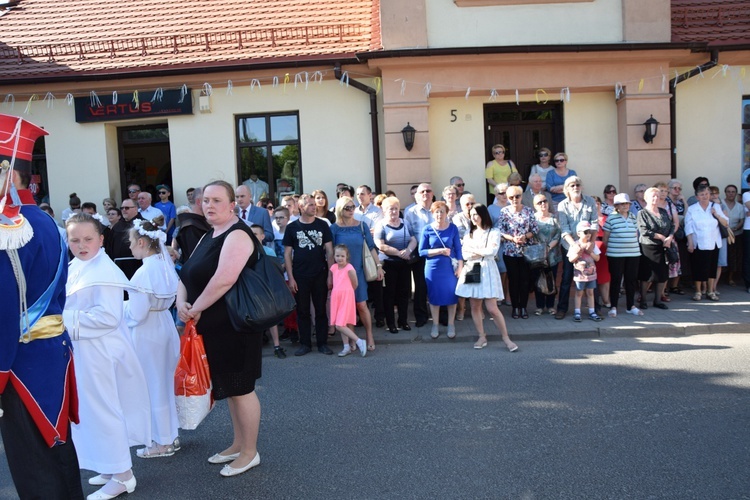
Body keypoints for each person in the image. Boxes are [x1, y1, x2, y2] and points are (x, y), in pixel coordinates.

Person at [0, 113, 83, 499]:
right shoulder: (46, 220)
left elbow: (2, 313)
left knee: (33, 468)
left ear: (6, 173)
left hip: (17, 362)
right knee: (58, 455)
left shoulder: (9, 229)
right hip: (52, 353)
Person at [177, 180, 263, 477]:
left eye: (216, 200)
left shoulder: (238, 235)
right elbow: (186, 271)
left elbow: (224, 279)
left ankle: (250, 452)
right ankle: (238, 444)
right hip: (211, 325)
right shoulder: (210, 233)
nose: (209, 205)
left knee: (242, 388)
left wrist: (196, 307)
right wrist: (181, 302)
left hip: (235, 325)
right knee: (229, 387)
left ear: (232, 205)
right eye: (205, 200)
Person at [64, 213, 152, 499]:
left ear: (101, 239)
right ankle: (109, 465)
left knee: (105, 409)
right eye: (74, 239)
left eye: (88, 239)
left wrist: (60, 320)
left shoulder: (102, 271)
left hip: (100, 350)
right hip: (85, 350)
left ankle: (124, 476)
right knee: (90, 411)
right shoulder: (78, 265)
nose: (81, 245)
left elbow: (107, 317)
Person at [124, 219, 181, 459]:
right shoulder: (163, 265)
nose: (129, 248)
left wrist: (118, 308)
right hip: (165, 324)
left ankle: (161, 441)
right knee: (165, 382)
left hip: (148, 331)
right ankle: (171, 434)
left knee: (153, 385)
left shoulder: (144, 271)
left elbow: (137, 314)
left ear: (141, 242)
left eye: (130, 242)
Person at [455, 204, 518, 352]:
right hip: (472, 269)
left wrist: (476, 252)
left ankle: (506, 338)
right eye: (471, 215)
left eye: (476, 214)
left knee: (492, 308)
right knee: (475, 305)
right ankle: (481, 336)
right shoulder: (469, 233)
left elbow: (492, 251)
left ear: (483, 215)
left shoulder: (494, 232)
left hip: (488, 269)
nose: (473, 218)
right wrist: (479, 252)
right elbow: (465, 254)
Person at [283, 194, 335, 356]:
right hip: (300, 275)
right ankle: (305, 343)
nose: (314, 207)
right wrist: (291, 277)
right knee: (303, 311)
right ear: (301, 207)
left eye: (314, 204)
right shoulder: (292, 228)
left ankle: (322, 343)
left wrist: (330, 275)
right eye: (311, 205)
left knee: (320, 310)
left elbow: (330, 251)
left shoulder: (322, 225)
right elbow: (287, 255)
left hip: (320, 274)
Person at [331, 196, 385, 351]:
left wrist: (379, 266)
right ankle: (352, 338)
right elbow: (330, 253)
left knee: (361, 304)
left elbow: (372, 246)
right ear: (340, 209)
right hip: (341, 274)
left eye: (352, 207)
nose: (350, 210)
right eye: (347, 207)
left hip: (358, 270)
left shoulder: (362, 226)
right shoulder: (334, 228)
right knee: (347, 307)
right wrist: (330, 274)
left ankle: (369, 335)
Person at [555, 176, 597, 320]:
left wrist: (591, 243)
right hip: (570, 246)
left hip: (588, 245)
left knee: (591, 275)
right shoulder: (562, 205)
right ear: (567, 189)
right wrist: (575, 246)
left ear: (581, 186)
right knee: (567, 277)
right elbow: (564, 229)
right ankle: (562, 309)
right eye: (572, 185)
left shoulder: (590, 201)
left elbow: (595, 224)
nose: (575, 187)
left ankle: (594, 309)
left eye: (577, 184)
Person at [419, 201, 463, 339]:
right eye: (437, 212)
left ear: (447, 212)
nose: (439, 214)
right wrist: (439, 251)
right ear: (432, 214)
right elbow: (421, 251)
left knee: (451, 295)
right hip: (433, 268)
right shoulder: (427, 229)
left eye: (442, 211)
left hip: (450, 267)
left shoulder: (453, 228)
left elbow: (458, 249)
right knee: (434, 296)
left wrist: (460, 267)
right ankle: (435, 324)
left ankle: (451, 324)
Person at [374, 196, 417, 334]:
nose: (394, 212)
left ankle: (403, 321)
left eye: (396, 209)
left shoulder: (405, 222)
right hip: (389, 264)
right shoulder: (381, 225)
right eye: (391, 209)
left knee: (404, 293)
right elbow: (380, 245)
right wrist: (399, 253)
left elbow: (413, 239)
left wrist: (409, 250)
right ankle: (391, 323)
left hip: (404, 264)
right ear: (385, 211)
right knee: (389, 294)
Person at [498, 185, 538, 319]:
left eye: (517, 196)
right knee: (513, 280)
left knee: (525, 281)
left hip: (526, 251)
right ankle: (515, 307)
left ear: (521, 197)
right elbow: (501, 231)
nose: (515, 199)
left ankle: (523, 307)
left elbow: (535, 229)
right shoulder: (504, 212)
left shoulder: (528, 211)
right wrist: (513, 238)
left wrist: (525, 236)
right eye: (511, 197)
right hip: (510, 252)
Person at [685, 184, 728, 302]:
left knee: (711, 267)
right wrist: (690, 242)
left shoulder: (716, 206)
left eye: (707, 194)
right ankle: (698, 291)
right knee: (698, 267)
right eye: (702, 194)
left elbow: (726, 223)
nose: (705, 196)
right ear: (697, 196)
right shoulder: (692, 209)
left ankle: (710, 291)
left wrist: (717, 215)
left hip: (713, 242)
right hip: (698, 242)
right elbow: (688, 227)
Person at [248, 224, 286, 358]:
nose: (253, 236)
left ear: (262, 236)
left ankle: (277, 346)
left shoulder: (269, 252)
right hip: (251, 290)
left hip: (267, 289)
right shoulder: (244, 252)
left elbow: (274, 272)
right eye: (250, 234)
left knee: (272, 318)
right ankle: (252, 348)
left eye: (256, 234)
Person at [602, 193, 643, 317]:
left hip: (633, 254)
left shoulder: (632, 217)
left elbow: (635, 234)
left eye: (627, 203)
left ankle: (631, 306)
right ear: (616, 206)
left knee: (631, 281)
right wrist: (613, 249)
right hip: (616, 255)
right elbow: (605, 239)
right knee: (616, 280)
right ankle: (613, 307)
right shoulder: (611, 218)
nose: (625, 206)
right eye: (622, 204)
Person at [636, 187, 675, 310]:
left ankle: (657, 300)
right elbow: (644, 230)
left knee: (662, 274)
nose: (656, 198)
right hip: (648, 246)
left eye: (657, 196)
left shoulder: (663, 211)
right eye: (653, 196)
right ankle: (643, 300)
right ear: (646, 198)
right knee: (647, 274)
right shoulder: (642, 213)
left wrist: (670, 237)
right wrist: (661, 237)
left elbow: (671, 226)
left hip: (663, 246)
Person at [329, 244, 368, 357]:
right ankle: (346, 346)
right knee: (342, 322)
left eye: (342, 256)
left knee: (339, 324)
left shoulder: (349, 268)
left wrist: (347, 292)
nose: (340, 258)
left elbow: (355, 283)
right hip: (336, 296)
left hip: (346, 296)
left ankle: (359, 341)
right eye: (337, 256)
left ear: (347, 256)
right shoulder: (333, 268)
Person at [404, 183, 434, 327]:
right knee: (420, 286)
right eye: (422, 192)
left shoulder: (438, 209)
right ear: (416, 195)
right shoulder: (410, 212)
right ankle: (421, 316)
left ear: (432, 193)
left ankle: (441, 315)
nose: (425, 194)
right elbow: (408, 234)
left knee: (437, 285)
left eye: (428, 191)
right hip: (419, 252)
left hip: (437, 253)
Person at [567, 221, 603, 322]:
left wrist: (590, 252)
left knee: (590, 292)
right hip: (580, 274)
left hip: (591, 274)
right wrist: (578, 253)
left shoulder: (592, 244)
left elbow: (597, 258)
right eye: (585, 232)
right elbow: (570, 259)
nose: (588, 234)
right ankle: (577, 312)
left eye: (589, 232)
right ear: (578, 233)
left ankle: (592, 311)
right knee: (579, 292)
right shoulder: (575, 245)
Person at [531, 193, 561, 315]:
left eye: (545, 201)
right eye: (539, 202)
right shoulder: (532, 219)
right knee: (539, 280)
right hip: (538, 255)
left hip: (552, 254)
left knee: (551, 280)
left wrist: (548, 247)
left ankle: (550, 306)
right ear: (535, 205)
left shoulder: (554, 218)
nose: (543, 204)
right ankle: (539, 306)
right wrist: (541, 248)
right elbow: (530, 235)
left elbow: (558, 234)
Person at [106, 198, 143, 279]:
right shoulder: (117, 226)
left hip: (137, 266)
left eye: (127, 208)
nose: (124, 210)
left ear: (136, 208)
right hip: (118, 267)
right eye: (122, 208)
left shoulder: (143, 224)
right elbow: (109, 246)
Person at [173, 186, 211, 264]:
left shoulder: (199, 222)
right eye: (207, 200)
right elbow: (196, 259)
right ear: (199, 202)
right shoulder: (191, 226)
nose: (211, 205)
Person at [708, 186, 728, 296]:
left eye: (716, 193)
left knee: (719, 263)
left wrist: (718, 209)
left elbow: (726, 220)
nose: (714, 196)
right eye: (712, 193)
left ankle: (714, 286)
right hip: (708, 238)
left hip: (720, 236)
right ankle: (707, 287)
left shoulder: (720, 205)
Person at [593, 196, 611, 310]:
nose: (596, 205)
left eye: (598, 203)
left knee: (605, 276)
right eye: (593, 203)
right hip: (592, 251)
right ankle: (594, 302)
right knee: (593, 276)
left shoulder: (607, 218)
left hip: (606, 250)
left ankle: (606, 299)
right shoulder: (588, 219)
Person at [723, 184, 744, 286]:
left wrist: (735, 228)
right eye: (728, 191)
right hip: (722, 234)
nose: (731, 194)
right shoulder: (720, 204)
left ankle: (730, 278)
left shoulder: (740, 207)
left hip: (736, 234)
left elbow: (742, 220)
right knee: (723, 256)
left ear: (736, 193)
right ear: (725, 193)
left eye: (733, 192)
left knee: (734, 257)